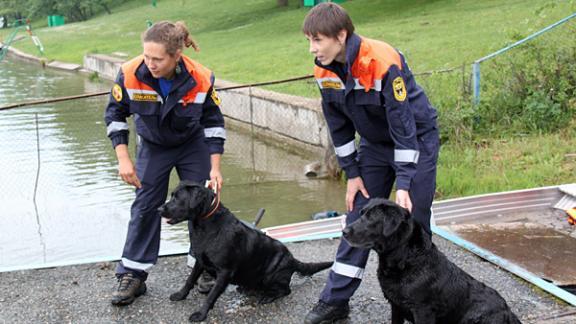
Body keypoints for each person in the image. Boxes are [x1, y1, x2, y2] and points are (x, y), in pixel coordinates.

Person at [302, 3, 440, 323]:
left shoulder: (381, 61)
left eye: (318, 40)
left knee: (415, 217)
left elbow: (404, 126)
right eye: (309, 40)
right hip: (376, 147)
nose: (312, 49)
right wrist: (352, 173)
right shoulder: (323, 70)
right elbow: (338, 126)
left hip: (415, 139)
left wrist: (404, 182)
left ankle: (426, 298)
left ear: (341, 35)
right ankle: (335, 301)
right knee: (358, 218)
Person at [104, 21, 226, 306]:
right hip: (154, 145)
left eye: (157, 59)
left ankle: (205, 267)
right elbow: (115, 116)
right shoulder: (129, 73)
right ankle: (133, 273)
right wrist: (123, 159)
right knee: (146, 204)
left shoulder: (201, 78)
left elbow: (214, 123)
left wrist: (215, 168)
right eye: (146, 56)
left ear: (176, 55)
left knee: (204, 204)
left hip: (191, 143)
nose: (150, 63)